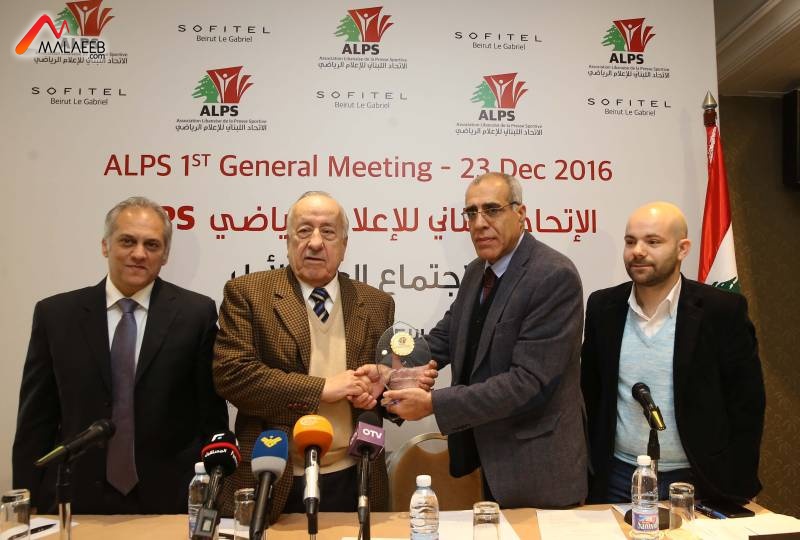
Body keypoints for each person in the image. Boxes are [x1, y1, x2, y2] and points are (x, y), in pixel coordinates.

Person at [213, 191, 432, 523]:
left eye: (328, 232)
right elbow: (233, 375)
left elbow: (382, 392)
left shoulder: (376, 303)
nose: (315, 242)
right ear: (287, 240)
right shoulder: (248, 293)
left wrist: (397, 386)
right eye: (304, 231)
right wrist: (321, 388)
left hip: (355, 473)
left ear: (344, 245)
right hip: (274, 473)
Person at [383, 172, 588, 508]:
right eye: (471, 213)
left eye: (492, 210)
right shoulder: (477, 271)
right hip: (489, 461)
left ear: (520, 214)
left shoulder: (553, 275)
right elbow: (444, 339)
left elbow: (527, 382)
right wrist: (390, 369)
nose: (479, 223)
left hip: (539, 468)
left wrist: (434, 404)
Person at [12, 196, 228, 514]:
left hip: (170, 498)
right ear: (105, 245)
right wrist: (26, 502)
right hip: (75, 497)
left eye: (152, 245)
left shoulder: (195, 313)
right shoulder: (56, 316)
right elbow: (36, 420)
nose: (139, 254)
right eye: (127, 241)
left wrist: (212, 497)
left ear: (165, 254)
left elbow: (211, 415)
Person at [580, 201, 765, 503]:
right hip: (618, 476)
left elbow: (747, 404)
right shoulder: (603, 307)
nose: (638, 251)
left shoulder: (721, 310)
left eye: (653, 242)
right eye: (630, 241)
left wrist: (735, 482)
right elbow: (591, 391)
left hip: (698, 478)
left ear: (682, 249)